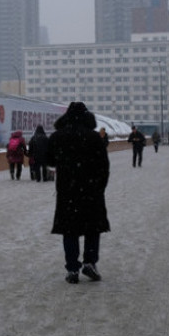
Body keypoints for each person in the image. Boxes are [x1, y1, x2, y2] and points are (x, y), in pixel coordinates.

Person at [46, 102, 111, 284]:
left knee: (70, 230)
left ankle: (72, 268)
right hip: (91, 191)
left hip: (67, 191)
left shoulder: (58, 137)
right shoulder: (94, 137)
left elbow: (49, 160)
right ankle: (90, 262)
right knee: (92, 228)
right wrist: (99, 187)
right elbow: (104, 166)